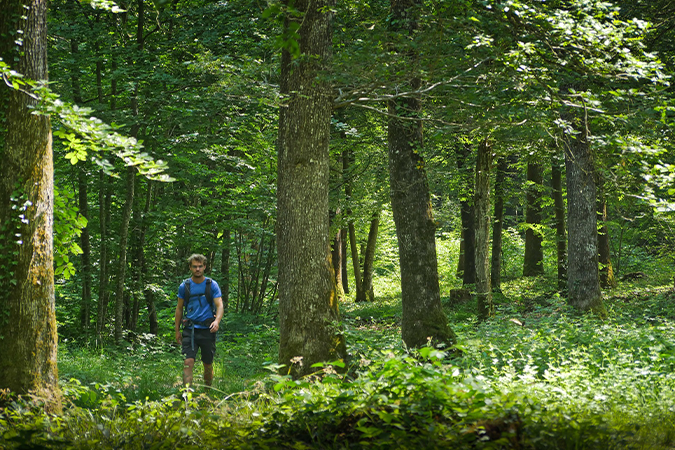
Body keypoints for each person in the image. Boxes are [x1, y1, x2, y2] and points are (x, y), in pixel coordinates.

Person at [175, 254, 224, 388]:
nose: (198, 269)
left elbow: (219, 305)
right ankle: (187, 398)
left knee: (207, 364)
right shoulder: (184, 286)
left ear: (205, 267)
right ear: (190, 268)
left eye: (200, 266)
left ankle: (207, 392)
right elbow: (179, 309)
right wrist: (177, 330)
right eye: (195, 266)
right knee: (188, 362)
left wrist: (217, 321)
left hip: (207, 330)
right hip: (190, 330)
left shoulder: (212, 285)